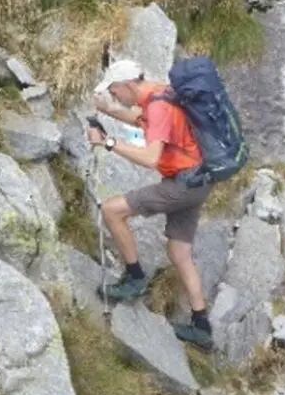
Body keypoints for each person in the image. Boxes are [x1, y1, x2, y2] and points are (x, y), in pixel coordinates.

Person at [87, 58, 213, 350]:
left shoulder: (157, 106)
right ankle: (202, 326)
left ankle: (134, 278)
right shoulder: (161, 93)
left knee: (112, 210)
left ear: (127, 84)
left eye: (114, 91)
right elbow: (140, 121)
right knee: (179, 251)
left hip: (182, 184)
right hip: (199, 179)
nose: (115, 96)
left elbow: (150, 158)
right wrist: (107, 109)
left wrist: (107, 143)